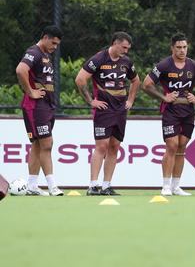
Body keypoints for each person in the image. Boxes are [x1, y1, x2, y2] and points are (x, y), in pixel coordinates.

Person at [142, 33, 195, 196]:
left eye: (184, 47)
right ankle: (165, 186)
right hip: (170, 111)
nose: (182, 50)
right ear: (172, 48)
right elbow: (146, 85)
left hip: (188, 111)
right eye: (179, 47)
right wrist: (164, 97)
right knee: (172, 145)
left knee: (181, 147)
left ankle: (176, 186)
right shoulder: (164, 65)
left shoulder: (194, 66)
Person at [75, 31, 140, 196]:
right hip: (104, 109)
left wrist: (130, 100)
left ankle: (106, 185)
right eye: (124, 47)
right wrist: (91, 101)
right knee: (101, 146)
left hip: (120, 110)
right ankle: (93, 185)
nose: (126, 51)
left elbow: (136, 80)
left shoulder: (126, 62)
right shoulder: (98, 59)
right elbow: (80, 79)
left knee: (114, 146)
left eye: (128, 48)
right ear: (115, 43)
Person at [15, 25, 64, 196]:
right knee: (47, 144)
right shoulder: (34, 52)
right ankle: (52, 186)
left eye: (57, 44)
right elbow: (20, 70)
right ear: (44, 37)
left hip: (47, 106)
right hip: (36, 106)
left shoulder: (45, 55)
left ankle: (32, 185)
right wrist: (30, 92)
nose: (55, 47)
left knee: (37, 144)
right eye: (53, 43)